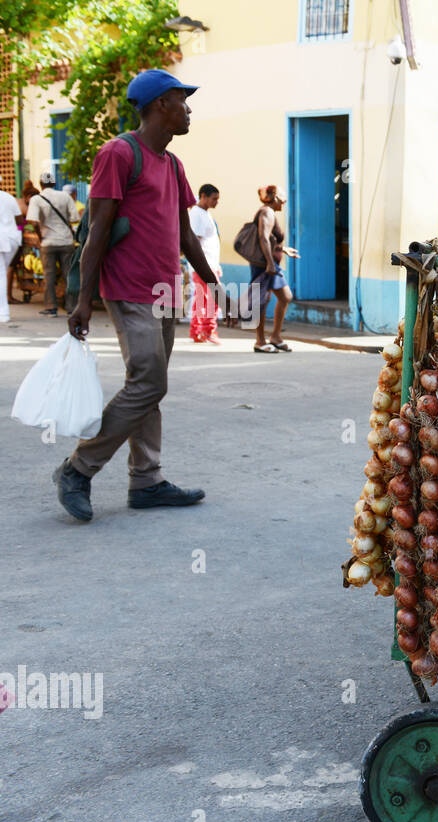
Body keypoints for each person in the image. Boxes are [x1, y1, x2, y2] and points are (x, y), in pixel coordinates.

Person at [54, 68, 221, 523]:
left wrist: (209, 280)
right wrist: (83, 300)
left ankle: (146, 480)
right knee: (149, 380)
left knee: (149, 387)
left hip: (166, 288)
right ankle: (77, 469)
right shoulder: (118, 154)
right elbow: (98, 232)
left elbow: (185, 234)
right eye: (182, 101)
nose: (189, 110)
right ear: (159, 105)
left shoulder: (173, 164)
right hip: (129, 290)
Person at [248, 184, 298, 353]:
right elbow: (262, 238)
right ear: (275, 198)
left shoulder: (269, 213)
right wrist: (270, 262)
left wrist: (283, 249)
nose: (283, 204)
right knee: (262, 300)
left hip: (269, 263)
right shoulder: (266, 212)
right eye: (282, 200)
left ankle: (275, 336)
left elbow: (270, 239)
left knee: (285, 297)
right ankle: (260, 341)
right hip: (264, 264)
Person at [28, 170, 81, 316]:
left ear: (41, 184)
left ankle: (51, 306)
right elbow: (75, 217)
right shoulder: (65, 196)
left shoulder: (36, 199)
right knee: (68, 274)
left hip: (48, 242)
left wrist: (40, 237)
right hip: (66, 240)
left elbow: (33, 221)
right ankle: (71, 306)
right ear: (54, 183)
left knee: (49, 275)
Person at [187, 183, 222, 344]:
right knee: (209, 299)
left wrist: (216, 265)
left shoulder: (204, 214)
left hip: (210, 264)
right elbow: (196, 242)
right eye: (214, 199)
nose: (216, 202)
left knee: (206, 298)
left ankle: (200, 331)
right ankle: (206, 330)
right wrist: (204, 267)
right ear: (203, 196)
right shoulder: (197, 214)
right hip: (203, 265)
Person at [0, 186, 21, 322]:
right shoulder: (9, 197)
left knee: (1, 273)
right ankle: (3, 312)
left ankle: (3, 312)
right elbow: (19, 219)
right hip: (11, 238)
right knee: (2, 272)